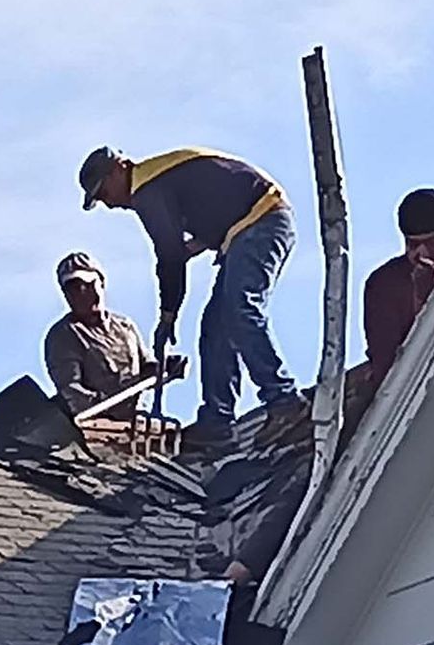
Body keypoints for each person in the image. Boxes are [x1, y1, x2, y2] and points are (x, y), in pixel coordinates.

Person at [79, 145, 304, 447]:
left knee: (241, 309)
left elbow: (169, 256)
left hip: (261, 222)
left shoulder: (148, 188)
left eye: (103, 192)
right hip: (244, 228)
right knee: (216, 329)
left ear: (119, 169)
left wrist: (168, 314)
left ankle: (284, 402)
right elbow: (211, 210)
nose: (108, 203)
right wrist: (192, 249)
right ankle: (217, 423)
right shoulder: (161, 179)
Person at [363, 188, 434, 391]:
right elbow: (386, 368)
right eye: (413, 245)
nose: (423, 253)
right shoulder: (384, 284)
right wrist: (423, 301)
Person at [42, 252, 159, 415]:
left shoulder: (126, 326)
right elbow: (71, 390)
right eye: (74, 288)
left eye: (88, 284)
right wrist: (106, 406)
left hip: (137, 422)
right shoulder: (63, 335)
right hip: (93, 430)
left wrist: (164, 368)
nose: (82, 292)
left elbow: (147, 369)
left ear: (101, 283)